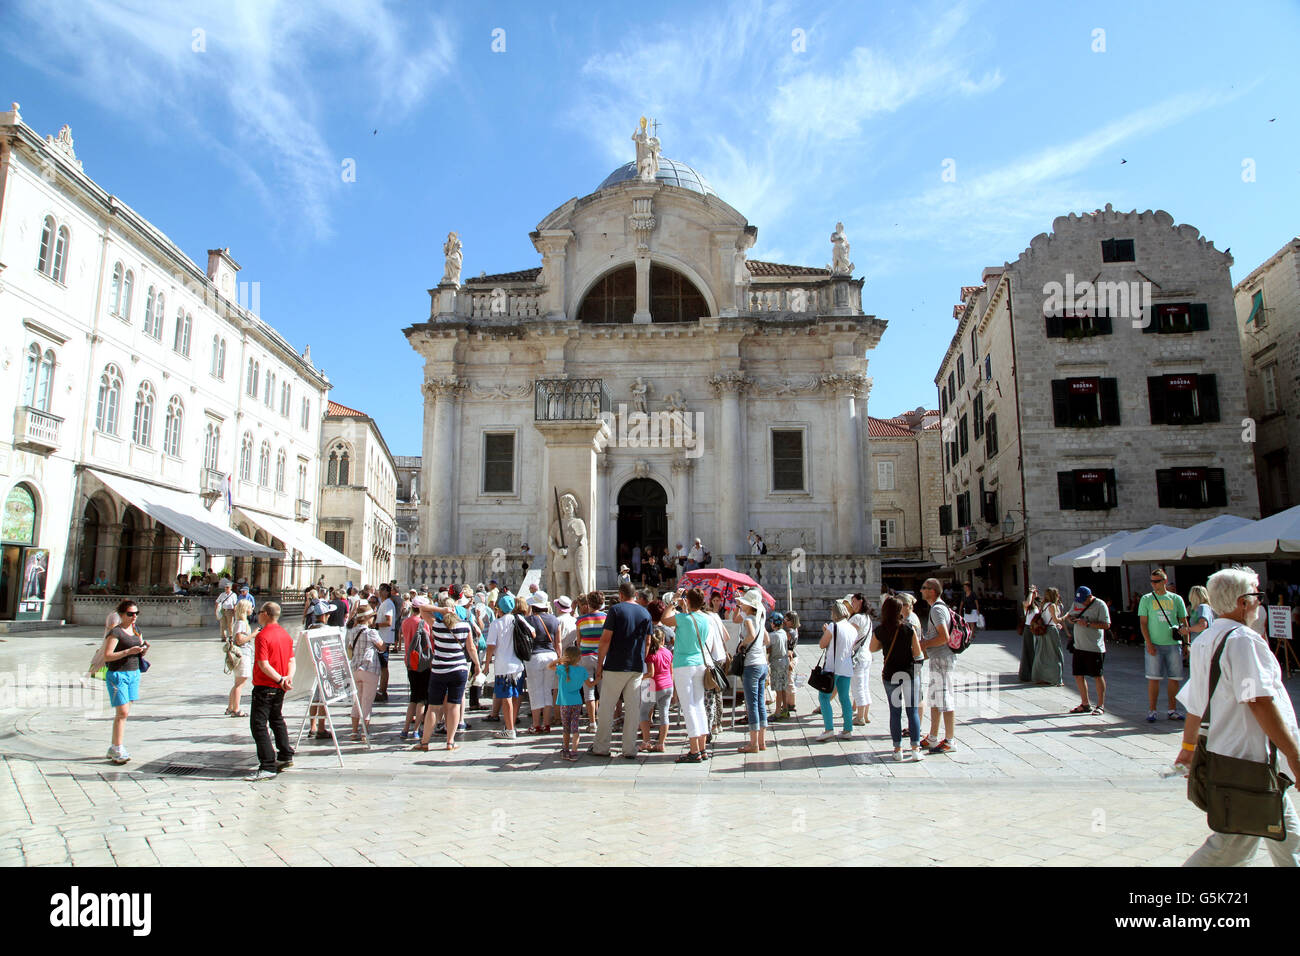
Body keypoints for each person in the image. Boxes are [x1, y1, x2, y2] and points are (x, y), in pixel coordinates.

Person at [1174, 567, 1300, 866]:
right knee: (1231, 846)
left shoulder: (1206, 639)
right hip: (1249, 759)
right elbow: (1258, 702)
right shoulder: (1243, 640)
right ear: (1243, 601)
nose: (1260, 603)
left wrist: (1188, 748)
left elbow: (1195, 704)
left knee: (1283, 836)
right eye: (1257, 596)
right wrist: (1294, 755)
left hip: (1233, 756)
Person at [591, 582, 651, 759]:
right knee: (633, 709)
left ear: (621, 595)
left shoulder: (616, 610)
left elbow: (605, 640)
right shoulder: (645, 612)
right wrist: (641, 658)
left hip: (616, 665)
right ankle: (630, 749)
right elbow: (648, 642)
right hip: (636, 666)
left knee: (607, 707)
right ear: (635, 595)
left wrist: (600, 664)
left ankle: (602, 746)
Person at [414, 598, 479, 752]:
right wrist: (477, 665)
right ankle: (450, 742)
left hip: (439, 670)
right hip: (459, 669)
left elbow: (422, 608)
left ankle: (424, 742)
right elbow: (471, 648)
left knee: (434, 708)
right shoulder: (465, 626)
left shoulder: (437, 626)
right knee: (454, 706)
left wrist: (441, 611)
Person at [870, 595, 924, 761]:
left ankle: (897, 749)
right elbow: (917, 652)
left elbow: (873, 648)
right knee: (912, 711)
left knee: (895, 712)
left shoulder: (880, 630)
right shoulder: (908, 628)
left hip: (891, 675)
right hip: (909, 673)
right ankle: (915, 749)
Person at [247, 602, 294, 782]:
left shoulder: (262, 635)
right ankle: (285, 755)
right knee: (276, 719)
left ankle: (267, 765)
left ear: (266, 614)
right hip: (280, 685)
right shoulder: (285, 634)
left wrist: (279, 679)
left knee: (258, 724)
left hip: (266, 685)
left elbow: (263, 664)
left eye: (259, 612)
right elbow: (292, 660)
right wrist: (287, 678)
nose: (257, 615)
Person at [1139, 569, 1189, 723]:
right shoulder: (1146, 599)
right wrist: (1148, 643)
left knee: (1174, 678)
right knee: (1154, 678)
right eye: (1152, 581)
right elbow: (1143, 623)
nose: (1154, 584)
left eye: (1157, 581)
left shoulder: (1176, 599)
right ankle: (1152, 710)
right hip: (1155, 643)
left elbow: (1183, 622)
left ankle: (1172, 709)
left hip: (1174, 643)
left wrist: (1186, 643)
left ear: (1165, 581)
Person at [102, 600, 148, 766]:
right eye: (130, 614)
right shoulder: (116, 632)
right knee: (122, 712)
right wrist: (128, 651)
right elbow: (107, 655)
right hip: (118, 674)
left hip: (133, 673)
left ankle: (114, 746)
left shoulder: (136, 630)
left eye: (136, 613)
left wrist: (143, 650)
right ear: (121, 615)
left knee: (124, 712)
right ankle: (118, 747)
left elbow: (140, 650)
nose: (134, 616)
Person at [670, 588, 711, 762]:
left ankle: (694, 750)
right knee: (699, 705)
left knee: (688, 707)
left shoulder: (681, 618)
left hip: (683, 665)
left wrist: (674, 601)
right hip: (700, 664)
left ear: (687, 600)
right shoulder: (706, 619)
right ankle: (702, 748)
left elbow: (665, 618)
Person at [918, 578, 957, 754]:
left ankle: (950, 740)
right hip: (937, 659)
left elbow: (944, 637)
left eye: (924, 588)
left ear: (932, 591)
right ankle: (933, 737)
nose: (921, 590)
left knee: (945, 699)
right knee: (935, 699)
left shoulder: (937, 610)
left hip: (942, 659)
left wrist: (925, 644)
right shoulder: (938, 608)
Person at [734, 588, 770, 753]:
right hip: (762, 663)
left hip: (752, 665)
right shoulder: (761, 619)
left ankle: (753, 743)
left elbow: (751, 634)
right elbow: (766, 639)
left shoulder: (749, 618)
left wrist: (743, 644)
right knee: (760, 703)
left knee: (752, 704)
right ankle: (762, 741)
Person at [816, 598, 856, 742]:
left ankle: (829, 729)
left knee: (824, 697)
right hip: (846, 666)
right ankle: (847, 729)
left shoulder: (834, 627)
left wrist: (826, 631)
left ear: (834, 613)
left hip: (832, 667)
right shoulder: (852, 628)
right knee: (844, 698)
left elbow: (822, 644)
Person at [484, 593, 523, 739]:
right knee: (514, 696)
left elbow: (490, 646)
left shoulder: (497, 624)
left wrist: (487, 664)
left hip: (503, 666)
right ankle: (510, 725)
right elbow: (532, 633)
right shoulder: (518, 620)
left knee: (506, 697)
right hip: (518, 665)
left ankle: (510, 730)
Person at [1065, 586, 1110, 715]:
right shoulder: (1077, 602)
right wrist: (1071, 619)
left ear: (1090, 597)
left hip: (1094, 647)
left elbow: (1106, 625)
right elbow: (1070, 615)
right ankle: (1085, 703)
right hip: (1079, 646)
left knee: (1097, 675)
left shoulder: (1100, 605)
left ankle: (1100, 705)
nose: (1082, 603)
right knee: (1078, 675)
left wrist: (1088, 624)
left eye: (1084, 600)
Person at [523, 591, 561, 735]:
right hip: (551, 656)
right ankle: (546, 724)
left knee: (534, 690)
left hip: (535, 656)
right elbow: (558, 643)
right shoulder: (554, 619)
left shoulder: (529, 620)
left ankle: (536, 724)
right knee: (547, 690)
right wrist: (560, 658)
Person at [549, 647, 595, 760]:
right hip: (577, 702)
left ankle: (565, 749)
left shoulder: (561, 669)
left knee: (566, 728)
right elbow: (590, 685)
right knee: (575, 727)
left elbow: (550, 666)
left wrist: (559, 660)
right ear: (579, 658)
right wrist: (598, 678)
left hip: (565, 703)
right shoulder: (582, 670)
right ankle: (574, 751)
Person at [347, 604, 385, 739]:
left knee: (357, 700)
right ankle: (364, 731)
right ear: (369, 618)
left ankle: (353, 731)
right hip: (369, 667)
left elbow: (350, 647)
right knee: (367, 701)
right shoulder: (371, 632)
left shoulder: (352, 631)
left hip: (355, 667)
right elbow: (382, 647)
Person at [639, 615, 674, 753]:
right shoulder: (668, 652)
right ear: (663, 639)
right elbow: (671, 671)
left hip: (652, 685)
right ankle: (661, 743)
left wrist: (640, 678)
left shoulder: (651, 655)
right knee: (664, 714)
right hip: (668, 685)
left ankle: (646, 741)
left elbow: (651, 673)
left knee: (643, 713)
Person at [400, 597, 433, 740]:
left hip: (409, 662)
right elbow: (429, 642)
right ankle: (416, 730)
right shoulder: (423, 623)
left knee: (413, 697)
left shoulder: (405, 622)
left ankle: (405, 728)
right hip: (422, 663)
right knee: (422, 699)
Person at [576, 591, 607, 730]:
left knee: (588, 689)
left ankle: (592, 722)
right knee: (603, 689)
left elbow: (579, 641)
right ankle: (602, 719)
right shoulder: (606, 618)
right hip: (602, 656)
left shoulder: (581, 620)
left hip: (585, 656)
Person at [847, 592, 873, 726]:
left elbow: (850, 637)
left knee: (858, 687)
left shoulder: (856, 618)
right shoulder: (867, 618)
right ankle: (866, 715)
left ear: (860, 601)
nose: (852, 605)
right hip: (866, 655)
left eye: (853, 602)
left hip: (857, 657)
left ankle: (860, 717)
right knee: (865, 686)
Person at [225, 597, 254, 717]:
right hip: (243, 654)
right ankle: (236, 709)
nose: (252, 609)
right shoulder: (241, 623)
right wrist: (253, 634)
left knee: (237, 682)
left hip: (243, 653)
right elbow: (240, 640)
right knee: (240, 683)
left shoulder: (240, 622)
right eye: (250, 607)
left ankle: (230, 707)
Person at [1032, 587, 1065, 686]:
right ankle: (1056, 679)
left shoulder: (1043, 605)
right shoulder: (1052, 606)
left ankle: (1040, 677)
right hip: (1051, 631)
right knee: (1055, 654)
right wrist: (1065, 617)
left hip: (1043, 630)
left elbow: (1045, 618)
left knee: (1042, 654)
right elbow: (1055, 620)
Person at [768, 611, 794, 719]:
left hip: (776, 663)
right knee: (783, 687)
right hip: (784, 662)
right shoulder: (783, 633)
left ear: (774, 623)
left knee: (778, 689)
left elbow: (768, 648)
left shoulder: (772, 635)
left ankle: (778, 712)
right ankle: (785, 710)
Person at [375, 583, 397, 702]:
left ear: (386, 592)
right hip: (383, 637)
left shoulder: (388, 604)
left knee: (383, 666)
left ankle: (382, 690)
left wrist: (375, 625)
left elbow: (388, 622)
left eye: (380, 590)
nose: (379, 592)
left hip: (384, 638)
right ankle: (381, 690)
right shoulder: (385, 603)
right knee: (382, 665)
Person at [1019, 587, 1040, 681]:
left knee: (1036, 650)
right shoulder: (1026, 604)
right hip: (1029, 629)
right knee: (1030, 650)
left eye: (1036, 592)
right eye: (1034, 593)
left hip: (1036, 629)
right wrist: (1031, 592)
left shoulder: (1037, 604)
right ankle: (1028, 673)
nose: (1036, 594)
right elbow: (1027, 603)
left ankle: (1036, 672)